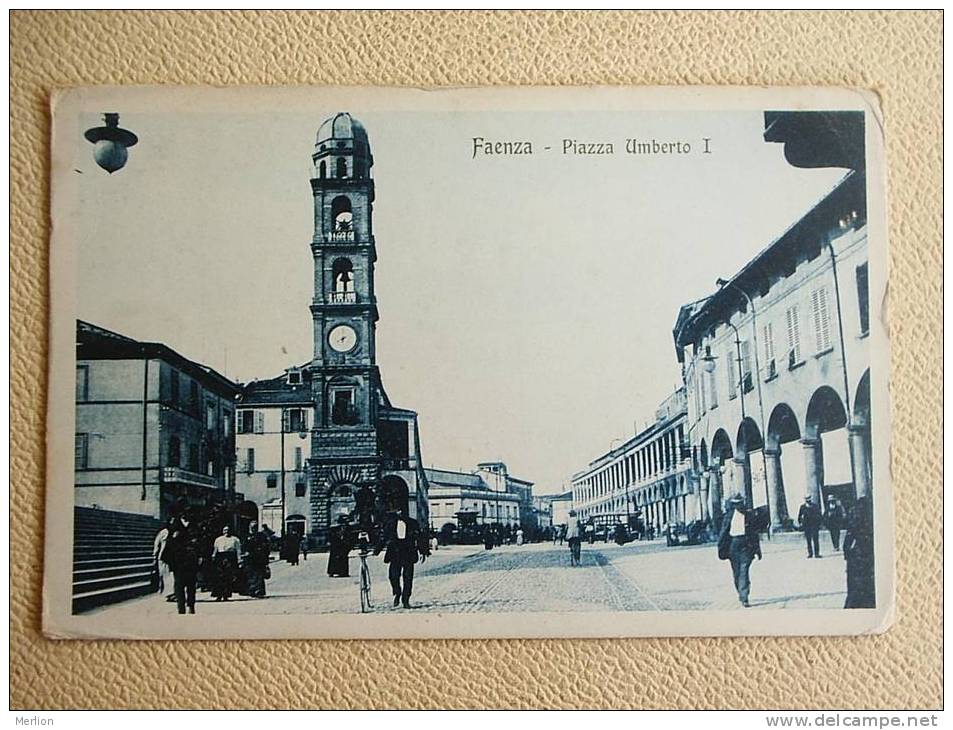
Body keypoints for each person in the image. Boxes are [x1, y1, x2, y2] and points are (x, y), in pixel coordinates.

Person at [376, 507, 430, 608]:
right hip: (395, 553)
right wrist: (376, 551)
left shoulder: (413, 523)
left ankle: (406, 599)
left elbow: (419, 538)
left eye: (402, 511)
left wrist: (423, 552)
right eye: (398, 511)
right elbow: (384, 538)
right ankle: (397, 592)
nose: (400, 513)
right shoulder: (390, 524)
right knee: (393, 576)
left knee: (408, 577)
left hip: (408, 553)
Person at [717, 494, 762, 607]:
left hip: (746, 545)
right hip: (733, 545)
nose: (739, 506)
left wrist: (757, 549)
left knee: (744, 571)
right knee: (737, 572)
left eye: (740, 503)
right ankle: (741, 591)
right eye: (736, 504)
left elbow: (754, 534)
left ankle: (744, 596)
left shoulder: (749, 516)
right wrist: (720, 547)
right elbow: (723, 532)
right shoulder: (728, 516)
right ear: (734, 505)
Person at [164, 511, 201, 615]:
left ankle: (191, 606)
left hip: (191, 562)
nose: (186, 515)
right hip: (178, 563)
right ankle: (181, 607)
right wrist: (171, 562)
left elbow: (200, 543)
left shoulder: (194, 526)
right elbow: (169, 545)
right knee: (179, 586)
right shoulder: (175, 526)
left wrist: (199, 556)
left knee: (191, 586)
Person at [843, 495, 876, 608]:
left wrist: (847, 554)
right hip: (871, 554)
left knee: (855, 588)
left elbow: (849, 537)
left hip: (858, 555)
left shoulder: (855, 515)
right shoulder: (874, 516)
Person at [210, 525, 241, 601]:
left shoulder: (235, 539)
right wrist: (213, 557)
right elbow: (215, 549)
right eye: (225, 530)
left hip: (230, 558)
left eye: (228, 530)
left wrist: (239, 560)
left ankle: (226, 595)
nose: (226, 531)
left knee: (228, 577)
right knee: (219, 577)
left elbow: (238, 550)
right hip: (220, 558)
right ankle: (218, 595)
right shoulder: (218, 539)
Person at [244, 522, 271, 598]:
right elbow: (245, 546)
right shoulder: (247, 536)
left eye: (255, 527)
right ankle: (252, 590)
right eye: (252, 527)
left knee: (259, 575)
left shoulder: (261, 536)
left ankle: (259, 591)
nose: (253, 528)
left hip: (260, 558)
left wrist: (266, 557)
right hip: (250, 559)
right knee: (251, 575)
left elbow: (266, 547)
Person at [152, 520, 173, 602]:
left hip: (172, 558)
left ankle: (170, 593)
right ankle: (165, 592)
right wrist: (154, 556)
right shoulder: (163, 533)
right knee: (163, 575)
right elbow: (156, 544)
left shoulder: (175, 532)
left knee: (169, 576)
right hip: (163, 557)